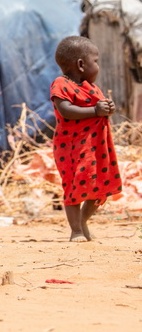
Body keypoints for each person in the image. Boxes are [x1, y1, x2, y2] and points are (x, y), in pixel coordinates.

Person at [50, 36, 122, 242]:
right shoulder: (61, 84)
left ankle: (83, 221)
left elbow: (98, 111)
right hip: (71, 148)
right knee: (73, 187)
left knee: (99, 186)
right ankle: (76, 231)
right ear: (81, 64)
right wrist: (95, 110)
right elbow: (66, 111)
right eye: (96, 61)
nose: (98, 65)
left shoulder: (90, 87)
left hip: (95, 147)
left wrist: (107, 109)